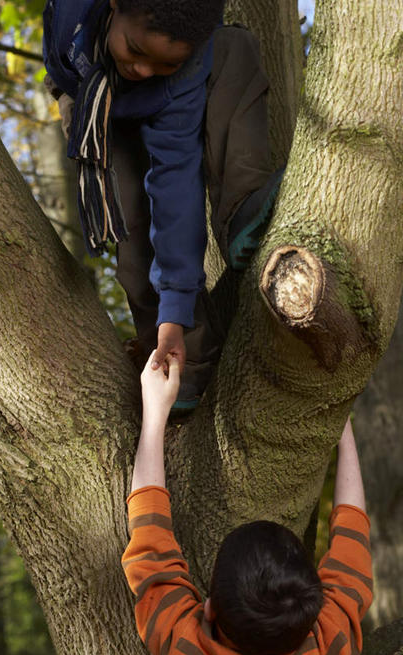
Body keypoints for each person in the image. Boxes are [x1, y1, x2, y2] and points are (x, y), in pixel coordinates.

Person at [123, 353, 372, 655]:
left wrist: (154, 416)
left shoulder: (188, 649)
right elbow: (352, 541)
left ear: (210, 608)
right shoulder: (329, 648)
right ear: (312, 608)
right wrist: (342, 429)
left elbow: (150, 541)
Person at [43, 0, 283, 410]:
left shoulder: (185, 70)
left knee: (166, 213)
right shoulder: (72, 17)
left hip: (164, 101)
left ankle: (242, 209)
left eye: (163, 63)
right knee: (129, 224)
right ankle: (177, 365)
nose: (143, 70)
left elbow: (175, 185)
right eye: (136, 51)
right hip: (91, 99)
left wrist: (176, 308)